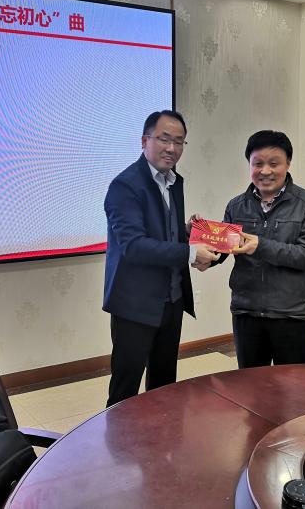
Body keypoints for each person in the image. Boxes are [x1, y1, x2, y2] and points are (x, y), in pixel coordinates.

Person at [103, 110, 219, 406]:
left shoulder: (174, 181)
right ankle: (117, 437)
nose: (171, 148)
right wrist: (190, 252)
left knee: (165, 386)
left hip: (172, 300)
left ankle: (162, 434)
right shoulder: (125, 186)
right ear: (145, 141)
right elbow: (134, 246)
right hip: (135, 305)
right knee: (125, 390)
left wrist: (186, 231)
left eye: (179, 142)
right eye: (164, 139)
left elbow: (161, 232)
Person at [215, 130, 305, 368]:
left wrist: (260, 246)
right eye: (258, 164)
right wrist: (201, 246)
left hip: (292, 315)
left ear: (288, 164)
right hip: (247, 313)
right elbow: (224, 248)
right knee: (251, 386)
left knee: (296, 387)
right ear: (249, 165)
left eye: (274, 164)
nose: (265, 171)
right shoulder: (236, 206)